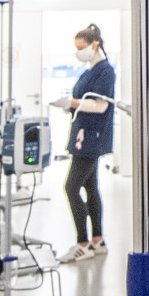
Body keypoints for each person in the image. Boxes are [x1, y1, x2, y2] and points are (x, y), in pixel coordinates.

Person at [57, 24, 116, 264]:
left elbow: (101, 106)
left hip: (92, 137)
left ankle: (82, 244)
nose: (78, 52)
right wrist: (70, 105)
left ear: (94, 44)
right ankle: (98, 240)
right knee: (91, 187)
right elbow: (83, 101)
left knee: (71, 188)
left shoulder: (105, 71)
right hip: (84, 134)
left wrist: (72, 103)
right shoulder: (89, 70)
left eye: (81, 48)